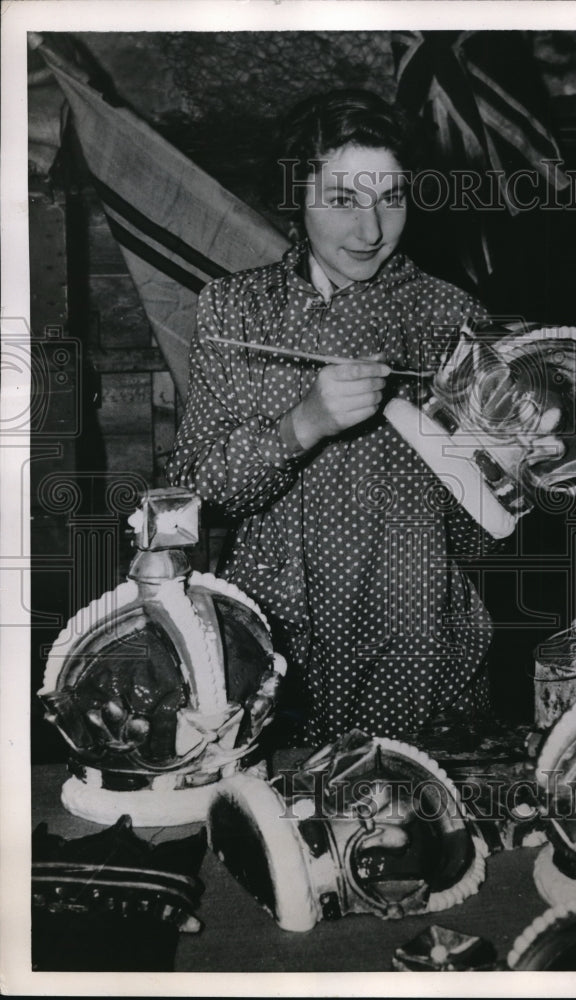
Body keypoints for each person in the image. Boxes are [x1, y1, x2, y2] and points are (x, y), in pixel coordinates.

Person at [166, 89, 496, 744]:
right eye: (343, 199)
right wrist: (303, 424)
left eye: (391, 198)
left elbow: (481, 534)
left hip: (418, 633)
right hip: (275, 636)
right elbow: (197, 492)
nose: (371, 230)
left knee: (414, 827)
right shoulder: (237, 311)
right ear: (298, 198)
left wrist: (520, 465)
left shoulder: (451, 316)